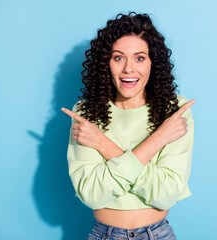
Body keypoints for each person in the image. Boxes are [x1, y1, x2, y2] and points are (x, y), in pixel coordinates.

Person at [62, 11, 195, 240]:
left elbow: (165, 195)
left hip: (158, 234)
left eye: (140, 58)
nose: (128, 69)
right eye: (118, 57)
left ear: (154, 63)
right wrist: (159, 139)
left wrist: (103, 144)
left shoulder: (174, 111)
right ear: (106, 63)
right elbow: (92, 195)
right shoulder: (86, 114)